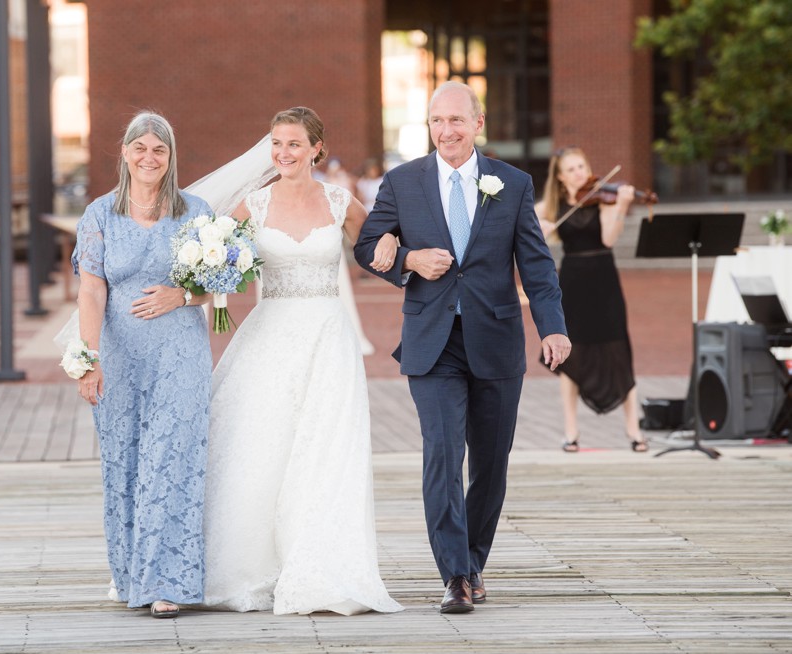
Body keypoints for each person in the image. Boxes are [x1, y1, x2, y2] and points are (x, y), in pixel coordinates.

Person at [354, 81, 570, 614]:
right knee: (443, 454)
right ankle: (453, 574)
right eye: (435, 121)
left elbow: (537, 266)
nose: (445, 131)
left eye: (455, 120)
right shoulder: (403, 182)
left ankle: (473, 561)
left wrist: (553, 327)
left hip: (496, 339)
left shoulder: (512, 183)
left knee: (491, 464)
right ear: (427, 127)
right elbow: (366, 247)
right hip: (431, 342)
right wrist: (408, 259)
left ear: (478, 124)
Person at [200, 106, 403, 616]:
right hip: (269, 335)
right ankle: (251, 568)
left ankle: (320, 568)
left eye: (293, 144)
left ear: (316, 148)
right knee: (260, 446)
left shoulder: (340, 201)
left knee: (324, 449)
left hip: (327, 337)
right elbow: (211, 258)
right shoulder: (253, 204)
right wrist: (211, 282)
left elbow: (378, 242)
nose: (283, 153)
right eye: (275, 144)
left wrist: (394, 245)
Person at [71, 111, 213, 619]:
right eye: (140, 148)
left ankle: (170, 582)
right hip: (120, 355)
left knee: (172, 461)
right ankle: (134, 576)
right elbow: (91, 289)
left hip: (180, 354)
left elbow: (219, 286)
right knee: (125, 461)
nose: (149, 157)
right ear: (125, 153)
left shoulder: (195, 211)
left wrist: (183, 294)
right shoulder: (100, 214)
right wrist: (88, 360)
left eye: (159, 149)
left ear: (171, 156)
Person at [534, 147, 647, 453]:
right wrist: (538, 231)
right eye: (571, 169)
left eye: (582, 166)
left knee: (618, 348)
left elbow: (609, 239)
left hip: (604, 279)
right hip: (572, 281)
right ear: (559, 177)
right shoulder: (551, 206)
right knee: (572, 355)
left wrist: (622, 206)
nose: (579, 173)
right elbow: (522, 229)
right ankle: (571, 432)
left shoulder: (602, 199)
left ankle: (634, 429)